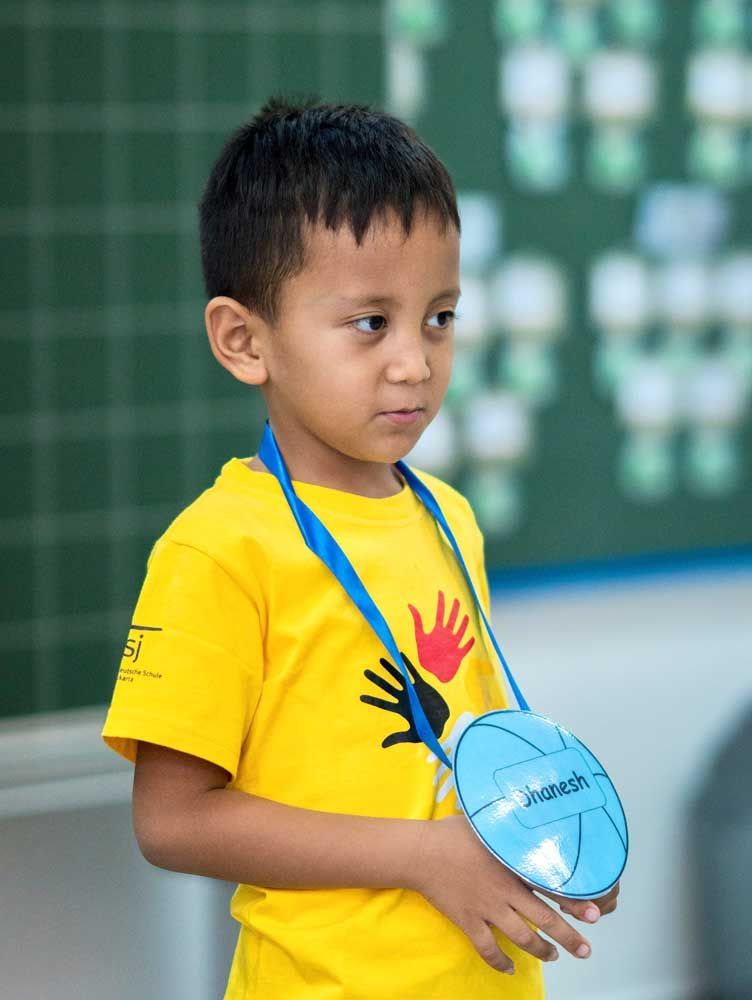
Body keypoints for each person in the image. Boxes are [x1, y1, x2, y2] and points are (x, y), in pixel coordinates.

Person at [101, 95, 619, 1000]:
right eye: (371, 323)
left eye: (441, 317)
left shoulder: (448, 516)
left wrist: (563, 832)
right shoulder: (221, 548)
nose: (415, 362)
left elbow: (474, 746)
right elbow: (173, 822)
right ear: (243, 340)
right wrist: (424, 856)